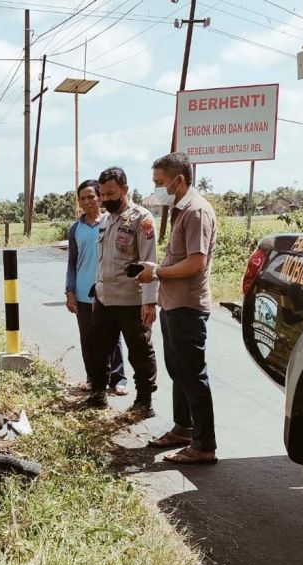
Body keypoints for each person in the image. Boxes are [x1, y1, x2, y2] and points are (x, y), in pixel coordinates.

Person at [136, 152, 219, 465]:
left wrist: (156, 271)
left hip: (188, 305)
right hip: (173, 303)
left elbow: (195, 264)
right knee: (178, 371)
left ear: (178, 180)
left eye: (159, 183)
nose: (157, 188)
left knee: (192, 374)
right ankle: (183, 429)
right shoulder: (180, 209)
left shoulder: (196, 212)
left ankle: (204, 444)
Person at [84, 166, 158, 423]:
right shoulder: (106, 219)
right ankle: (97, 394)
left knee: (139, 351)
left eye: (111, 193)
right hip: (105, 297)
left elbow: (150, 261)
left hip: (132, 299)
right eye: (102, 194)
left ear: (125, 190)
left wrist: (149, 301)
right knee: (98, 348)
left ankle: (144, 401)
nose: (106, 199)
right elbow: (104, 260)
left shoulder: (142, 218)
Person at [65, 179, 128, 396]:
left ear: (100, 197)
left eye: (91, 196)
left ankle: (118, 379)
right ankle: (93, 378)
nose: (88, 201)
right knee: (88, 338)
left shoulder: (111, 223)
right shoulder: (75, 229)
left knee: (113, 337)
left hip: (108, 291)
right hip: (83, 292)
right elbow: (72, 263)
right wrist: (69, 291)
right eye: (83, 198)